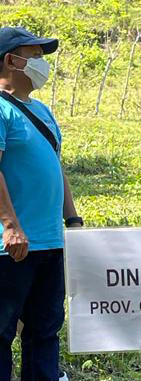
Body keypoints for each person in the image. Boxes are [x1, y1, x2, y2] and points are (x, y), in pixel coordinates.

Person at [0, 27, 82, 381]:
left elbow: (55, 166)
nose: (41, 64)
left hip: (51, 243)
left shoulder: (44, 111)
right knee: (0, 334)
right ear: (10, 60)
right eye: (34, 56)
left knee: (45, 332)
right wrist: (11, 226)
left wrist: (73, 220)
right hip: (12, 247)